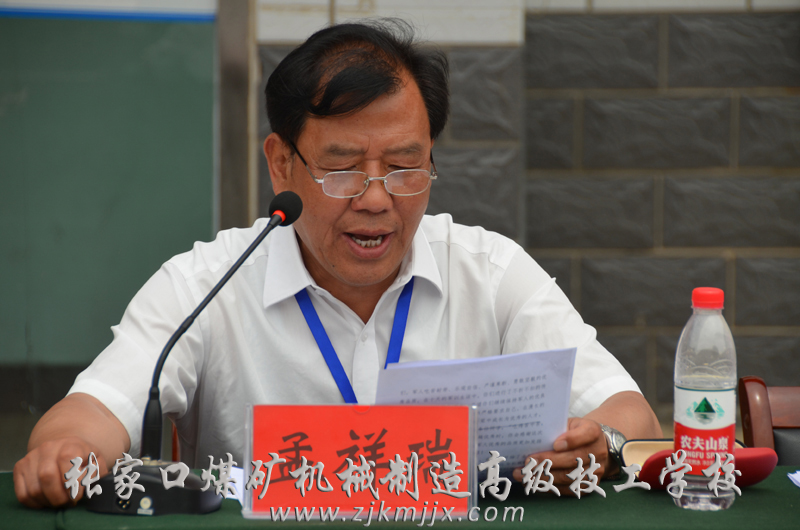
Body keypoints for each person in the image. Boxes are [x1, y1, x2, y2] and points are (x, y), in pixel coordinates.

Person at [14, 19, 661, 508]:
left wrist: (599, 445)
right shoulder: (207, 284)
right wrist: (68, 451)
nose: (376, 199)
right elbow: (89, 414)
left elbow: (634, 420)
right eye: (343, 168)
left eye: (404, 166)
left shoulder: (489, 271)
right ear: (281, 163)